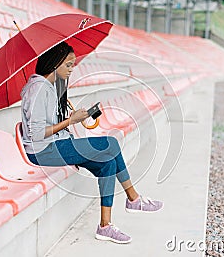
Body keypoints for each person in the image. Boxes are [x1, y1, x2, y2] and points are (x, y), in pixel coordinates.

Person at [20, 41, 163, 244]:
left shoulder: (49, 87)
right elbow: (36, 135)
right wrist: (71, 121)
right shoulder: (38, 90)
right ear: (55, 63)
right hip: (43, 151)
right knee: (110, 144)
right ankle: (134, 198)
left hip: (56, 145)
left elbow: (48, 125)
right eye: (68, 64)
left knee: (108, 163)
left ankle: (105, 226)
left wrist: (71, 116)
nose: (71, 69)